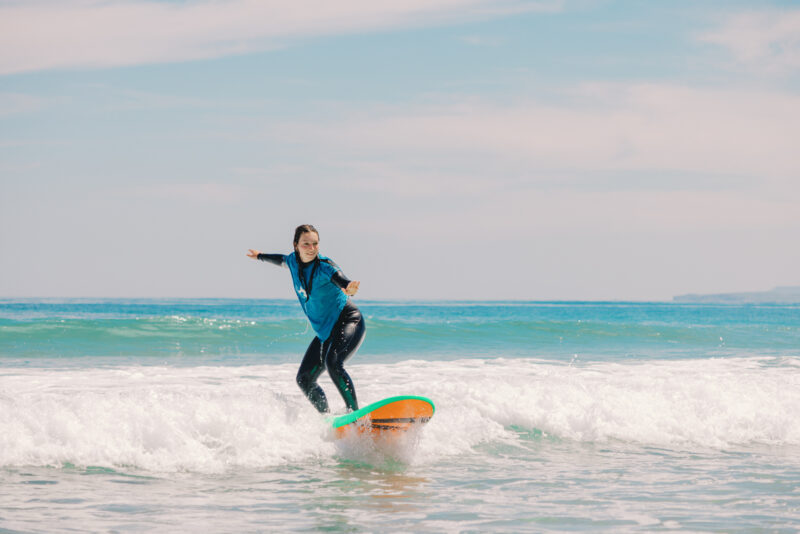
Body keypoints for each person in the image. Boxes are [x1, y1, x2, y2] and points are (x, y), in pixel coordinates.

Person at [247, 224, 365, 414]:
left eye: (315, 244)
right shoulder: (293, 261)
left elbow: (340, 278)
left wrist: (348, 286)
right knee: (304, 379)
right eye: (306, 244)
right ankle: (327, 419)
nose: (311, 248)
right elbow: (281, 260)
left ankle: (354, 414)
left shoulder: (324, 267)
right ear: (296, 245)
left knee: (333, 363)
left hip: (348, 320)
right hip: (325, 331)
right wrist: (260, 256)